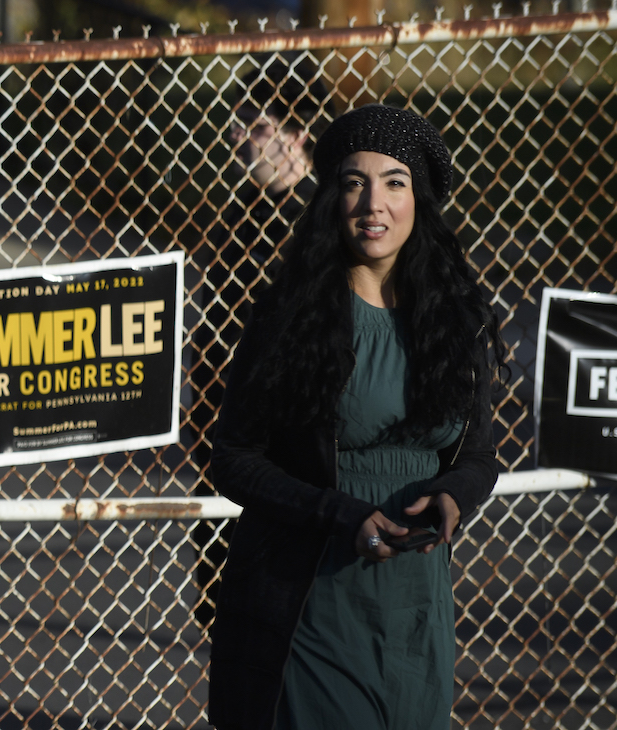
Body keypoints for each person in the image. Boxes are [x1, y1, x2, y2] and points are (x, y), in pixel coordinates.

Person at [207, 104, 507, 729]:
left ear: (419, 198)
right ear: (330, 199)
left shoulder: (458, 320)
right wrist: (339, 513)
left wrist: (453, 495)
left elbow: (479, 455)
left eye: (394, 182)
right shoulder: (290, 316)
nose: (373, 204)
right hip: (312, 603)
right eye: (353, 183)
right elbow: (233, 458)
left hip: (418, 610)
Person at [189, 59, 334, 630]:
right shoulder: (236, 213)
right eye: (237, 120)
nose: (237, 135)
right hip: (226, 436)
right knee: (223, 611)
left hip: (286, 449)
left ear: (297, 133)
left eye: (255, 124)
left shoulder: (324, 224)